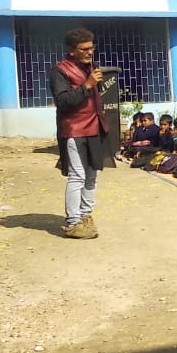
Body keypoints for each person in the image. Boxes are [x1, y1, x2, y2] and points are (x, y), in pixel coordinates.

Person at [51, 27, 114, 239]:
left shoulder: (90, 68)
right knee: (77, 175)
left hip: (94, 127)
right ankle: (73, 222)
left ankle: (86, 216)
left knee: (92, 174)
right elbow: (62, 101)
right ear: (71, 50)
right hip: (74, 129)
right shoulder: (60, 71)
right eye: (84, 49)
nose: (89, 52)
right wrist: (87, 85)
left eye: (91, 48)